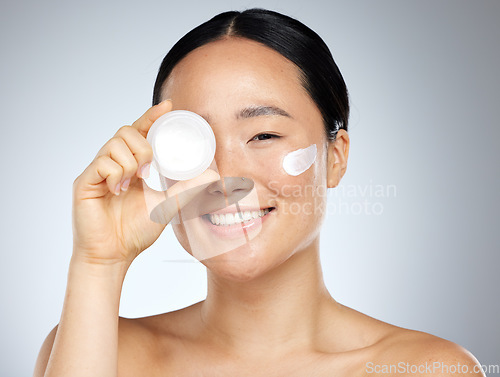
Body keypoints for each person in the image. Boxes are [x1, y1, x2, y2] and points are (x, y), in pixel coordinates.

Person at [34, 8, 484, 377]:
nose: (226, 175)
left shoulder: (426, 369)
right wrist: (99, 263)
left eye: (264, 135)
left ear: (335, 157)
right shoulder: (101, 354)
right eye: (195, 142)